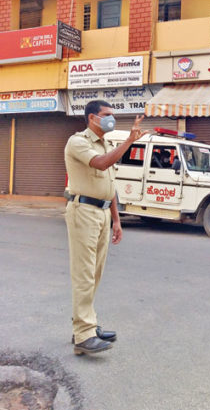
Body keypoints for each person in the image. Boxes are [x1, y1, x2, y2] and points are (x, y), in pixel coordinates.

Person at [64, 100, 148, 355]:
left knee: (95, 273)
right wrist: (130, 141)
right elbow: (101, 164)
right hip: (83, 211)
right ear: (92, 118)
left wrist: (116, 219)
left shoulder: (105, 143)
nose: (112, 119)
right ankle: (83, 334)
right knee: (84, 274)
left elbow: (109, 186)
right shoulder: (78, 142)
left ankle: (85, 326)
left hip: (101, 213)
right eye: (107, 115)